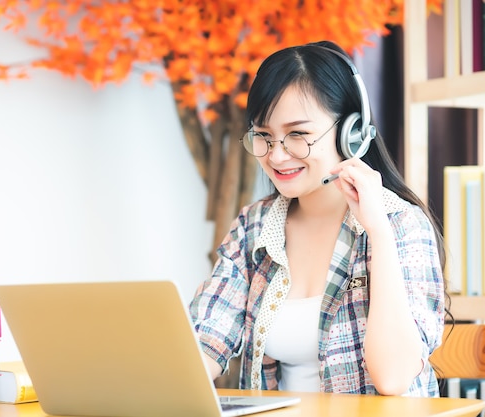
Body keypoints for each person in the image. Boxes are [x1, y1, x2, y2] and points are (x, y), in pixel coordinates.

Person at [189, 40, 448, 397]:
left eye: (298, 135)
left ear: (352, 132)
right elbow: (205, 343)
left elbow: (393, 378)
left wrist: (378, 233)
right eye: (264, 136)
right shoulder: (254, 227)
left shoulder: (401, 223)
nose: (277, 156)